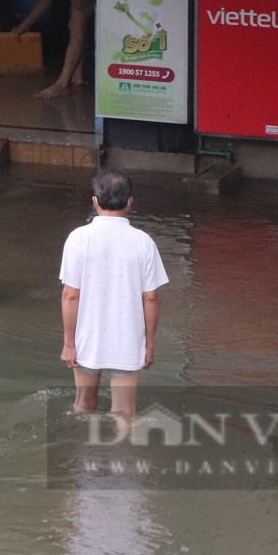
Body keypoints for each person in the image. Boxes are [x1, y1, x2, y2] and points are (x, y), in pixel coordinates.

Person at [59, 169, 168, 418]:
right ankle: (121, 456)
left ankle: (83, 454)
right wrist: (149, 345)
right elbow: (150, 298)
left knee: (84, 406)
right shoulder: (144, 242)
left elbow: (70, 296)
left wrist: (69, 344)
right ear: (130, 202)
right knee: (124, 412)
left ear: (95, 201)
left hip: (88, 337)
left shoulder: (78, 239)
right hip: (127, 340)